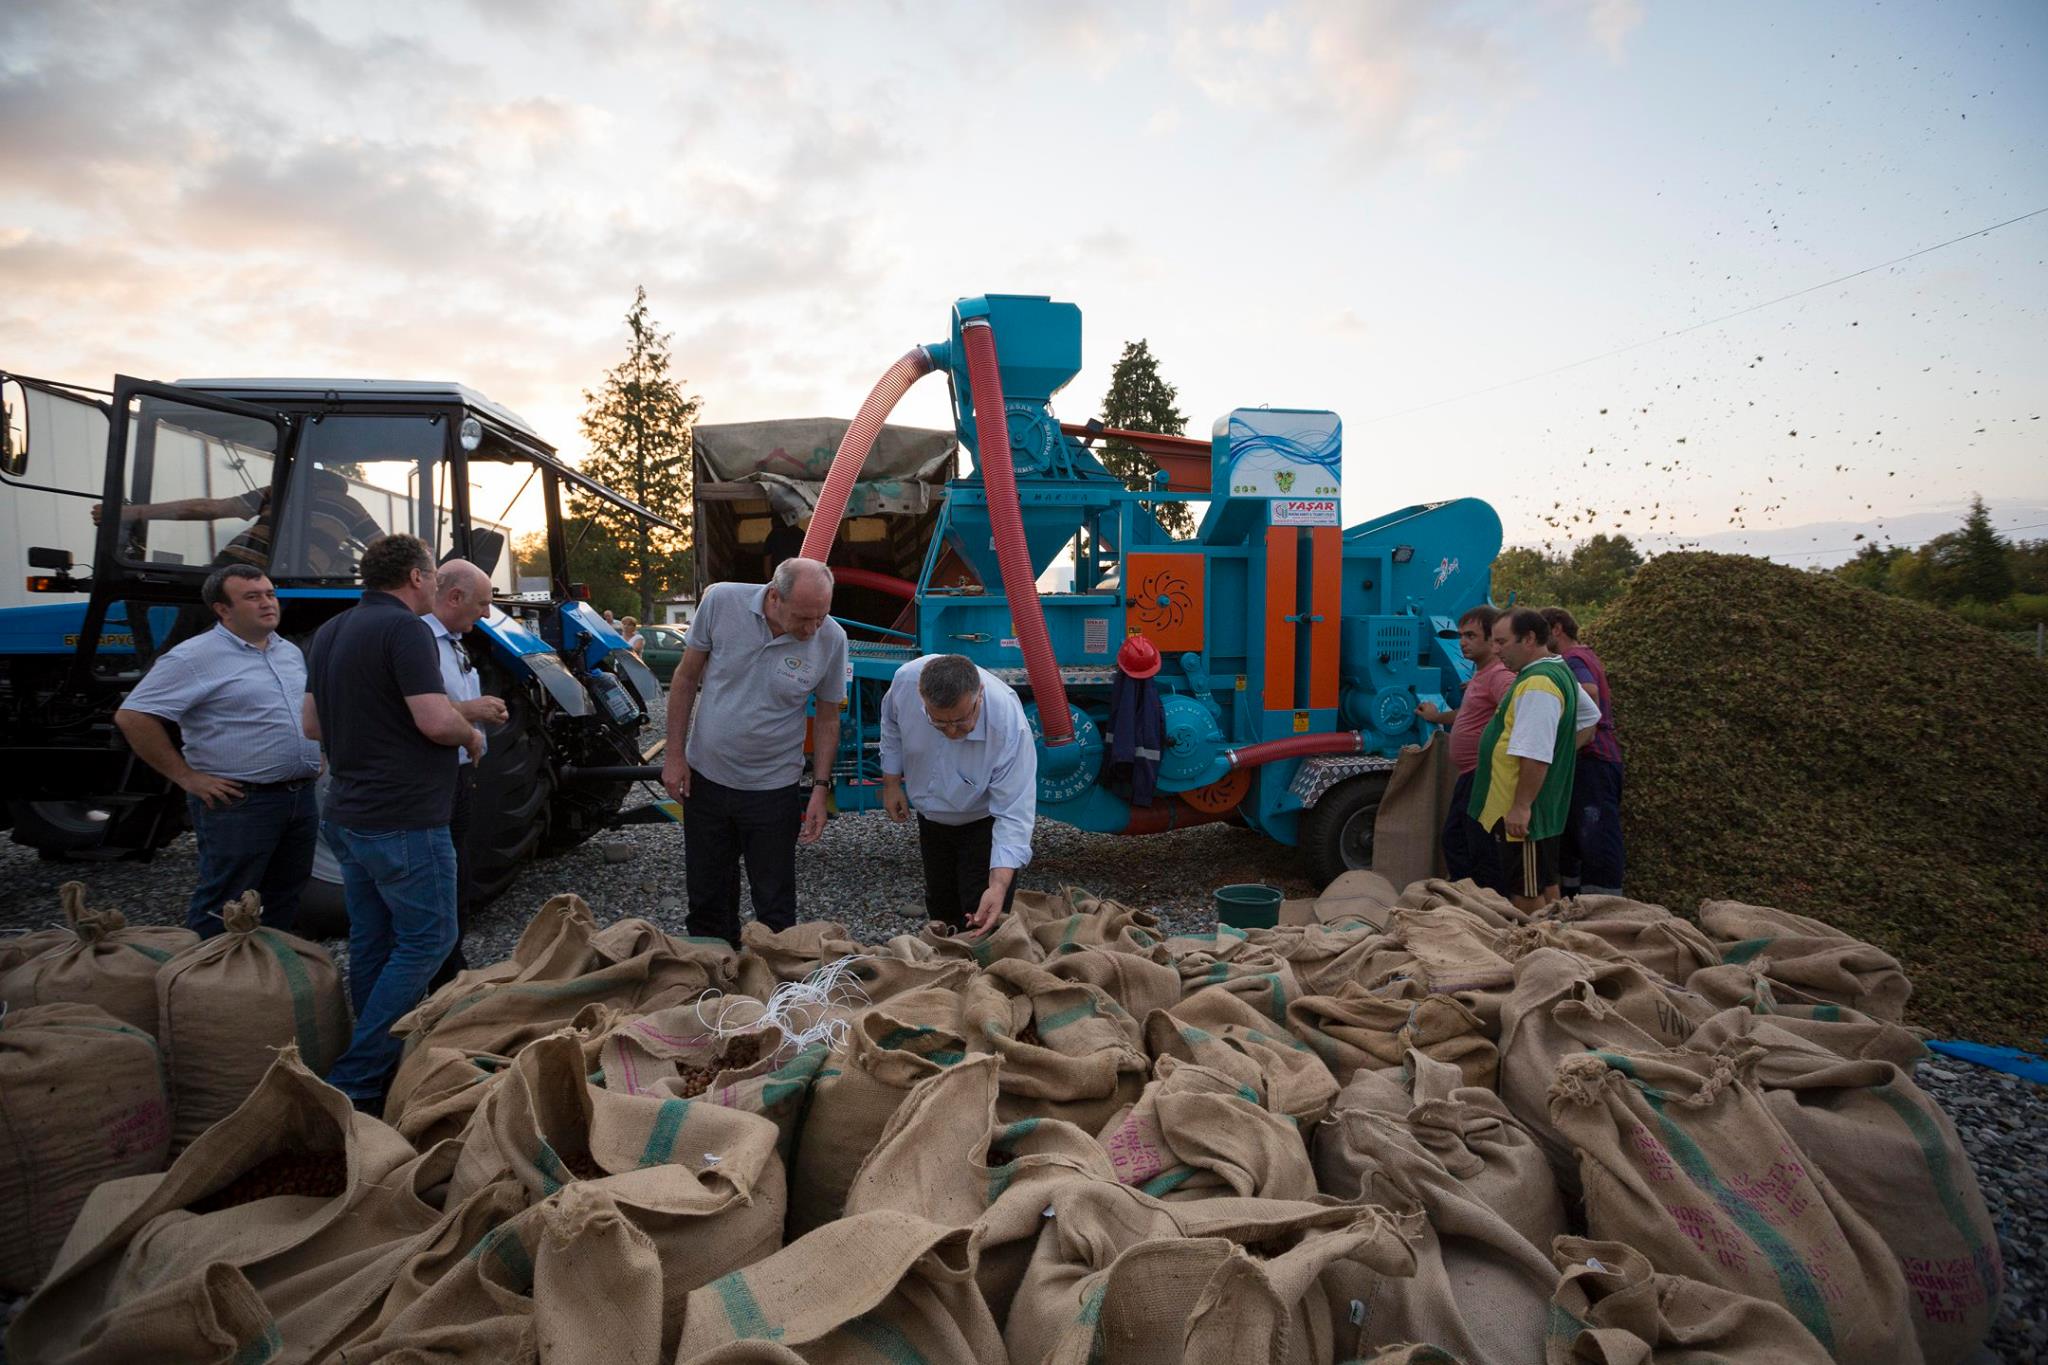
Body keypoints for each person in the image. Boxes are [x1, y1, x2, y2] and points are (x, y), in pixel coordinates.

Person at [302, 533, 482, 1109]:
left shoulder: (332, 630)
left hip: (347, 814)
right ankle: (357, 1077)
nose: (434, 584)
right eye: (432, 574)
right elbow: (435, 721)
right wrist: (471, 735)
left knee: (374, 939)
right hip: (403, 816)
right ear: (416, 577)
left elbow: (311, 725)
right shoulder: (406, 629)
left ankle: (375, 1064)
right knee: (431, 937)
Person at [114, 564, 322, 934]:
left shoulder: (288, 651)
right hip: (240, 802)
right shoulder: (193, 657)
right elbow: (133, 716)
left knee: (285, 896)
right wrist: (187, 777)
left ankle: (267, 967)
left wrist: (316, 751)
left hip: (299, 797)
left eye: (270, 594)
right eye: (252, 597)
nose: (267, 603)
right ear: (222, 609)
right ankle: (209, 968)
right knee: (226, 901)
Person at [661, 558, 846, 945]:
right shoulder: (721, 602)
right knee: (707, 898)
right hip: (707, 781)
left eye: (821, 617)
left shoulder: (832, 639)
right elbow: (686, 677)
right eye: (803, 618)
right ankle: (715, 970)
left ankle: (774, 975)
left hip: (773, 790)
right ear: (774, 597)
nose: (812, 630)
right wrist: (674, 756)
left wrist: (820, 787)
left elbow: (828, 718)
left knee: (775, 905)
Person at [879, 654, 1037, 936]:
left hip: (983, 821)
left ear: (980, 695)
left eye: (962, 720)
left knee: (981, 917)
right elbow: (891, 724)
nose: (952, 731)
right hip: (931, 820)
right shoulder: (906, 681)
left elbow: (1014, 813)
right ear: (921, 697)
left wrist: (998, 885)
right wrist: (891, 782)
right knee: (942, 907)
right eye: (939, 723)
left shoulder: (1009, 724)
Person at [1468, 608, 1602, 912]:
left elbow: (1534, 751)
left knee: (1526, 890)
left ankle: (1535, 939)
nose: (1496, 650)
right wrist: (1559, 755)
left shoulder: (1538, 684)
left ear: (1529, 639)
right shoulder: (1556, 669)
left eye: (1502, 642)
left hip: (1523, 809)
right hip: (1539, 802)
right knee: (1545, 880)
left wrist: (1522, 805)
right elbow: (1588, 718)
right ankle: (1557, 933)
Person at [422, 560, 507, 984]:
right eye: (482, 603)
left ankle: (453, 966)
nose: (487, 613)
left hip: (459, 775)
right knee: (439, 878)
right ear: (454, 597)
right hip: (435, 777)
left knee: (456, 871)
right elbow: (413, 710)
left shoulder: (453, 641)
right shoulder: (418, 641)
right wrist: (472, 711)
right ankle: (441, 974)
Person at [94, 466, 382, 577]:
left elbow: (209, 508)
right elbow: (384, 548)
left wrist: (128, 512)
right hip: (290, 581)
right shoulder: (352, 508)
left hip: (233, 565)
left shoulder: (282, 491)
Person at [1413, 604, 1511, 894]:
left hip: (1484, 774)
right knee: (1458, 838)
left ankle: (1486, 901)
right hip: (1471, 774)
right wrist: (1436, 716)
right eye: (1461, 635)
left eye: (1471, 636)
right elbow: (1467, 716)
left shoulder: (1499, 676)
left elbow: (1516, 710)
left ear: (1493, 640)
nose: (1462, 642)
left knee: (1475, 844)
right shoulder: (1482, 675)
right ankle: (1470, 897)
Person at [1542, 607, 1626, 896]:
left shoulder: (1573, 658)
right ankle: (1574, 900)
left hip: (1593, 759)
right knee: (1576, 837)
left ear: (1556, 629)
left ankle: (1603, 905)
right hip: (1593, 760)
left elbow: (1588, 691)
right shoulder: (1584, 655)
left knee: (1595, 835)